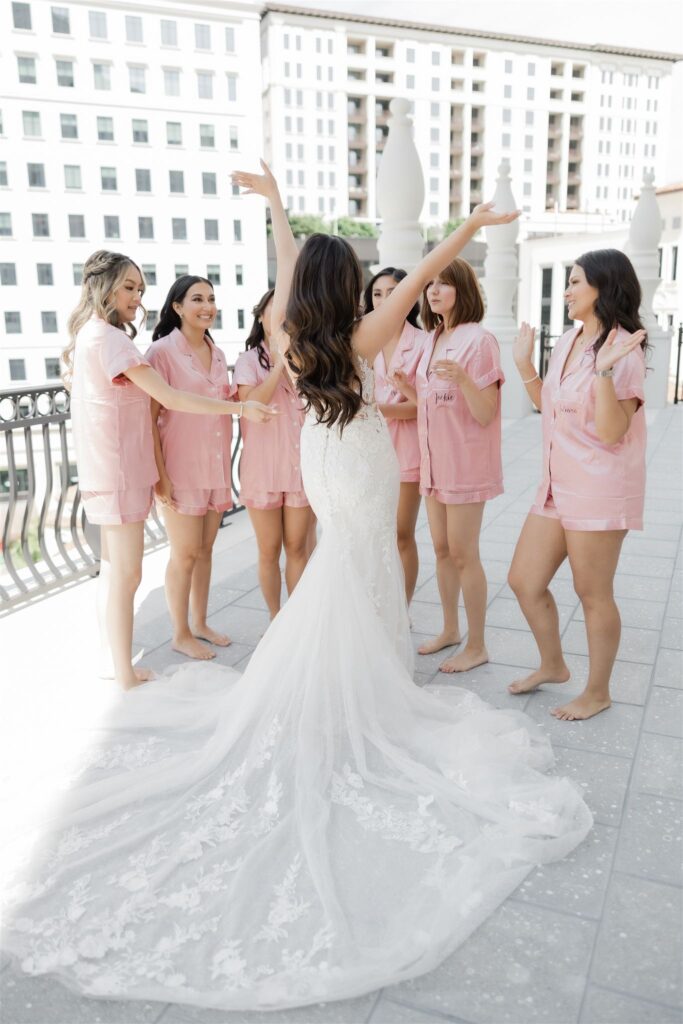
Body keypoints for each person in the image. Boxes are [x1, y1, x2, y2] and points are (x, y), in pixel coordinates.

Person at [1, 173, 591, 1012]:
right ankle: (365, 693)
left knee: (338, 574)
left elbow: (285, 272)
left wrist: (278, 207)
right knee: (362, 570)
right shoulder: (363, 334)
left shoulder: (286, 330)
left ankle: (345, 684)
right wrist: (476, 221)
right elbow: (424, 273)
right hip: (357, 464)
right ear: (347, 284)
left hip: (321, 463)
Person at [62, 251, 275, 689]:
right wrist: (240, 407)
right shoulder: (112, 340)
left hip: (111, 467)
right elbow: (171, 400)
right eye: (128, 287)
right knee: (127, 574)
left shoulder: (93, 336)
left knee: (114, 570)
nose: (136, 298)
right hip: (122, 469)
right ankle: (125, 672)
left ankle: (114, 661)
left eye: (140, 289)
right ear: (103, 287)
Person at [507, 249, 648, 721]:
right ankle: (553, 665)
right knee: (524, 581)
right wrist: (525, 363)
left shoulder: (623, 348)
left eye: (574, 282)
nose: (565, 291)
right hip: (555, 481)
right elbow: (551, 405)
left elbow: (611, 431)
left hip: (599, 486)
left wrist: (605, 371)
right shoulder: (567, 340)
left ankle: (598, 691)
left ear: (604, 288)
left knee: (592, 593)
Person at [393, 259, 504, 673]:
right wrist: (407, 386)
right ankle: (450, 629)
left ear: (464, 290)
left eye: (444, 284)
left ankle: (478, 644)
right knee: (441, 549)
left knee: (463, 553)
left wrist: (463, 379)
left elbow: (486, 411)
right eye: (430, 285)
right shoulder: (432, 338)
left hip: (466, 464)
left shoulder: (481, 340)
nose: (433, 291)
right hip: (433, 463)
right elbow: (430, 406)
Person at [147, 275, 236, 660]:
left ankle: (199, 622)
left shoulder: (216, 352)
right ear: (178, 307)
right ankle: (180, 632)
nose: (207, 306)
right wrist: (161, 475)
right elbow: (150, 418)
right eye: (197, 299)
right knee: (183, 553)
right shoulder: (161, 353)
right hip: (180, 467)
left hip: (214, 467)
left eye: (211, 299)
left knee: (205, 549)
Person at [233, 289, 314, 618]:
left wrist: (295, 361)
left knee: (298, 548)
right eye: (273, 312)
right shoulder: (248, 361)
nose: (281, 319)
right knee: (269, 551)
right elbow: (252, 404)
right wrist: (280, 363)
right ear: (261, 317)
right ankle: (275, 617)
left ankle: (296, 622)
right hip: (262, 471)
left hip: (300, 470)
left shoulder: (310, 360)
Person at [364, 268, 425, 603]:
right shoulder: (360, 338)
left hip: (406, 452)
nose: (384, 299)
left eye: (393, 291)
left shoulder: (424, 343)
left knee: (401, 534)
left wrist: (377, 409)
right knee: (372, 533)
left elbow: (421, 406)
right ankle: (375, 602)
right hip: (366, 450)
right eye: (377, 293)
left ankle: (403, 607)